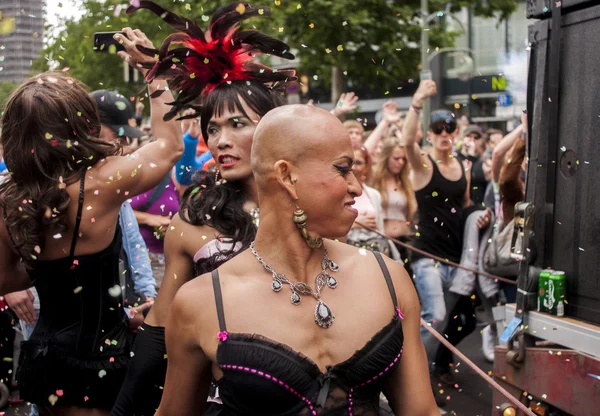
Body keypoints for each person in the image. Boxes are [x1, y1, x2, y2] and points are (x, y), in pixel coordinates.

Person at [156, 104, 438, 416]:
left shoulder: (389, 278)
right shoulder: (203, 302)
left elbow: (422, 411)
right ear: (287, 177)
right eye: (343, 169)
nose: (356, 187)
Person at [109, 3, 296, 415]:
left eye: (237, 124)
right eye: (213, 128)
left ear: (272, 128)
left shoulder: (311, 211)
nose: (221, 140)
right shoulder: (194, 223)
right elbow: (160, 330)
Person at [0, 27, 181, 416]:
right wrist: (155, 72)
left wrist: (44, 250)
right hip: (102, 356)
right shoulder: (102, 184)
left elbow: (10, 281)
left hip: (47, 355)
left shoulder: (8, 199)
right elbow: (170, 146)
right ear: (79, 123)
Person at [402, 81, 474, 359]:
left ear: (455, 133)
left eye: (449, 129)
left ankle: (431, 370)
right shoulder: (423, 164)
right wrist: (417, 102)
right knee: (436, 316)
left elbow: (465, 206)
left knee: (452, 321)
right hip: (427, 255)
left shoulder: (463, 166)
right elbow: (407, 142)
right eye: (438, 129)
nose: (444, 134)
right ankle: (410, 373)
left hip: (455, 259)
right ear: (430, 135)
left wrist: (480, 217)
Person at [371, 138, 418, 269]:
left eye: (403, 159)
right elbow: (365, 152)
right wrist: (385, 123)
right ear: (386, 157)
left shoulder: (406, 182)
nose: (400, 162)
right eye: (396, 158)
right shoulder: (375, 179)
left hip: (405, 242)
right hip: (382, 242)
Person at [346, 146, 399, 259]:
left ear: (366, 167)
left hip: (374, 251)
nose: (354, 167)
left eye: (358, 163)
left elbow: (380, 228)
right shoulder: (339, 193)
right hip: (348, 251)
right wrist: (356, 223)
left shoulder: (374, 195)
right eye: (350, 162)